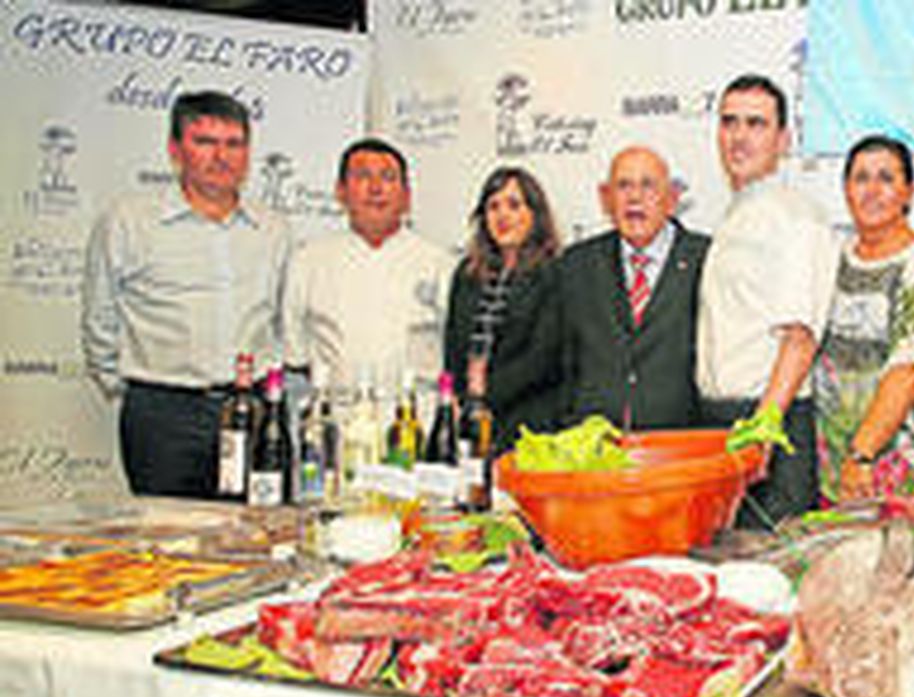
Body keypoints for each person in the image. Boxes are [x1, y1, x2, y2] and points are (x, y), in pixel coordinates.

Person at [81, 90, 291, 498]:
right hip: (164, 414)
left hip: (250, 410)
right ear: (175, 150)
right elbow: (99, 318)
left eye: (234, 144)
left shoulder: (273, 229)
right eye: (205, 142)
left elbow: (281, 319)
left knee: (254, 540)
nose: (221, 156)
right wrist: (141, 389)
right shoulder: (128, 221)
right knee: (167, 546)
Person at [696, 74, 836, 526]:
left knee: (770, 580)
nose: (739, 136)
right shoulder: (737, 213)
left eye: (755, 124)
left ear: (783, 140)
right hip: (719, 423)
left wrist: (762, 434)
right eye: (729, 122)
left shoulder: (796, 217)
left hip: (767, 425)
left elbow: (799, 340)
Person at [815, 134, 914, 505]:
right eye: (861, 178)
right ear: (845, 190)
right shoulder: (833, 256)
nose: (872, 191)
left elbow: (911, 370)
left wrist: (862, 454)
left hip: (886, 465)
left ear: (909, 192)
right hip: (832, 467)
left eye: (886, 179)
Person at [553, 146, 707, 430]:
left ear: (672, 199)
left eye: (648, 185)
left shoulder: (706, 259)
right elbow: (562, 363)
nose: (634, 198)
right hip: (595, 454)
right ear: (606, 198)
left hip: (681, 450)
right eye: (623, 186)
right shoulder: (576, 264)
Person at [284, 138, 453, 393]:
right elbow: (295, 353)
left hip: (416, 419)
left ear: (406, 197)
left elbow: (456, 350)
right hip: (334, 419)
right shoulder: (308, 261)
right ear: (341, 192)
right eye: (363, 176)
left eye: (388, 177)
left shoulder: (439, 264)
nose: (376, 188)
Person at [442, 166, 565, 449]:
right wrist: (456, 399)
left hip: (529, 425)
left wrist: (486, 390)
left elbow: (543, 357)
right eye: (493, 206)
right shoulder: (467, 273)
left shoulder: (555, 273)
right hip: (469, 422)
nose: (502, 216)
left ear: (535, 215)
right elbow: (452, 345)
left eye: (514, 205)